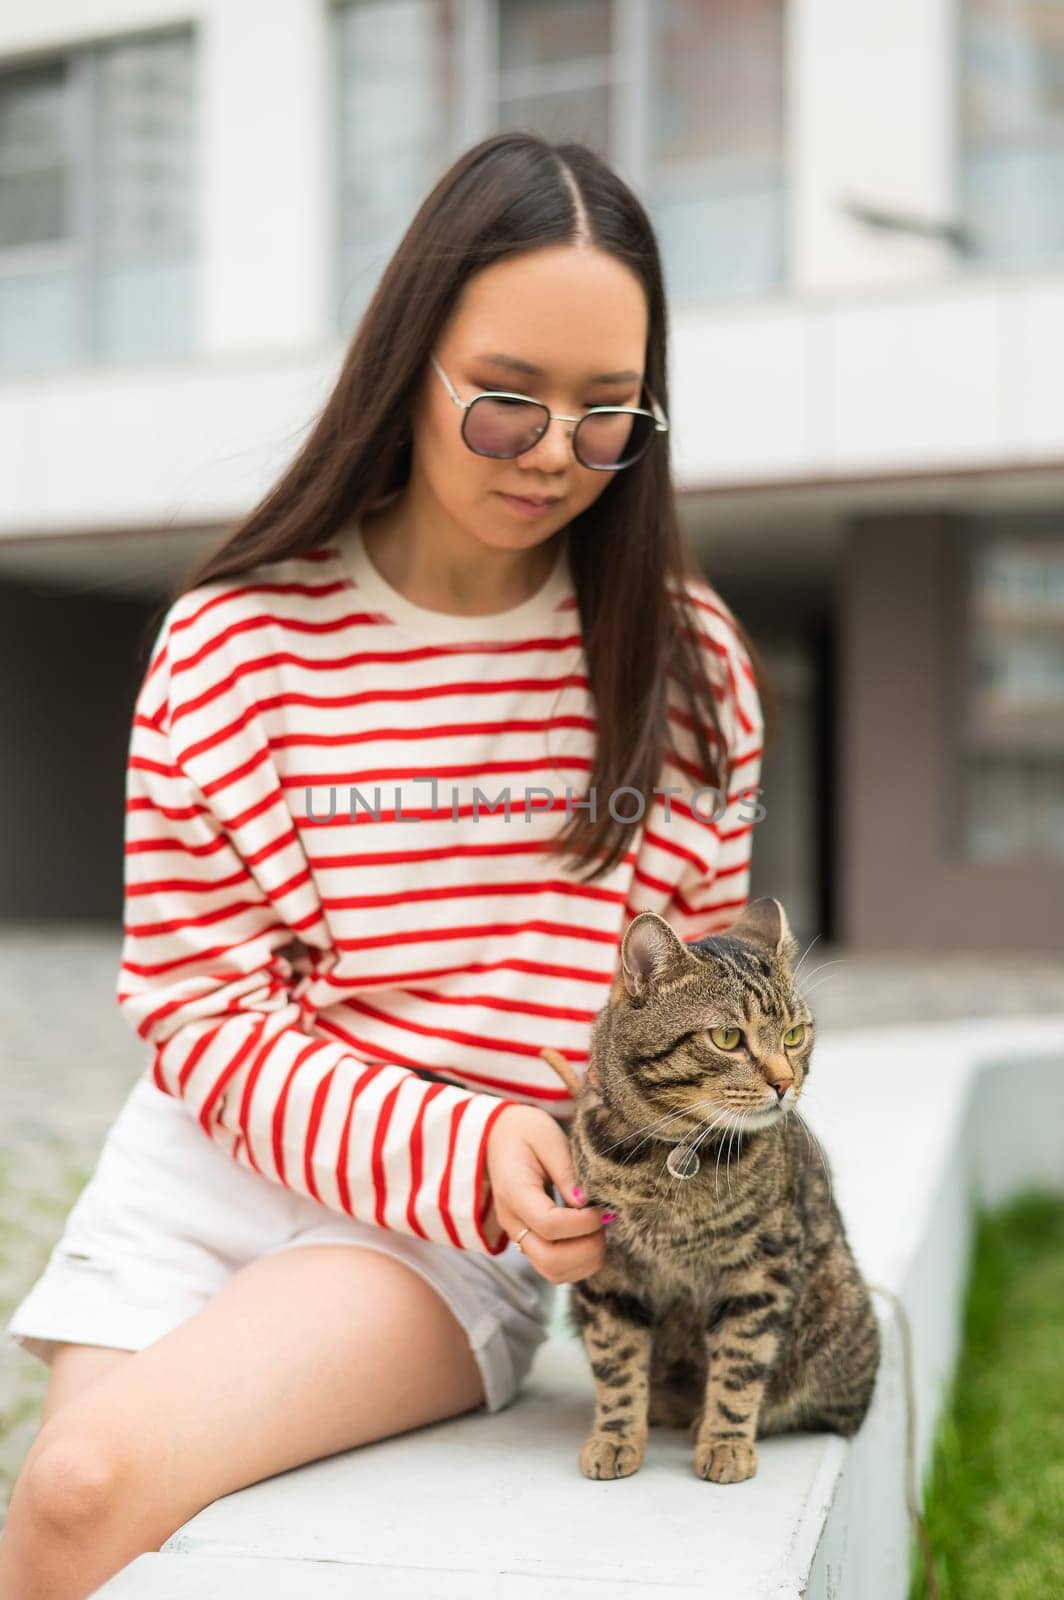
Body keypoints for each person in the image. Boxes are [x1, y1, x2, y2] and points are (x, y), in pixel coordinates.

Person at [0, 131, 771, 1599]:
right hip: (203, 1170)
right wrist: (454, 1139)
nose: (554, 452)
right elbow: (196, 1010)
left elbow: (685, 1032)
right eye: (504, 403)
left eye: (608, 416)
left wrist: (597, 1202)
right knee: (61, 1536)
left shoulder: (687, 674)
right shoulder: (236, 640)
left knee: (89, 1487)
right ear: (407, 363)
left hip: (452, 1232)